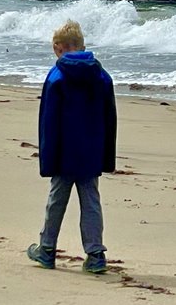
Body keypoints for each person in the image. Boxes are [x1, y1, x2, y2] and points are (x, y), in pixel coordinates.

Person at [28, 20, 117, 274]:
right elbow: (110, 118)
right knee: (91, 201)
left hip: (64, 151)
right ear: (82, 45)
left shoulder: (56, 77)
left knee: (57, 199)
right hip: (91, 152)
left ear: (58, 48)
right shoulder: (102, 76)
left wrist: (48, 157)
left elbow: (49, 122)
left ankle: (46, 249)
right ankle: (96, 253)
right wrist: (106, 156)